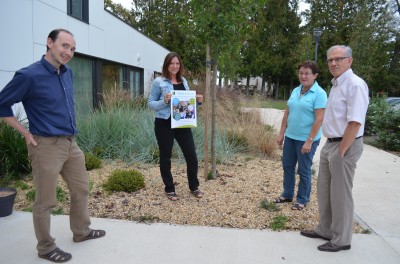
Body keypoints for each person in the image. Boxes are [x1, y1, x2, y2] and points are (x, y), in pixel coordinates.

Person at [0, 29, 105, 263]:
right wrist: (25, 133)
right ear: (49, 43)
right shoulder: (28, 76)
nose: (68, 52)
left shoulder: (68, 72)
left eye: (72, 49)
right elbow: (2, 104)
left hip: (71, 144)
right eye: (64, 46)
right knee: (45, 200)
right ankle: (46, 247)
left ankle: (81, 231)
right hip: (45, 145)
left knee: (81, 189)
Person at [300, 45, 369, 252]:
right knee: (325, 191)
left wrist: (342, 150)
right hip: (330, 144)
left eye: (338, 59)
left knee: (341, 195)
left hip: (344, 145)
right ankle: (326, 229)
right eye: (330, 60)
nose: (333, 63)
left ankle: (342, 239)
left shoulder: (355, 85)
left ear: (349, 60)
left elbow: (355, 122)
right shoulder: (337, 85)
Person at [148, 52, 203, 201]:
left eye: (177, 63)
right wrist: (164, 101)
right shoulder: (158, 82)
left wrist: (197, 102)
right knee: (166, 157)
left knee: (192, 156)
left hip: (182, 122)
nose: (174, 66)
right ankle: (169, 188)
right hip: (164, 123)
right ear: (167, 65)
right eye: (172, 63)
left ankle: (194, 186)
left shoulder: (183, 81)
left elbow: (186, 105)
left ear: (180, 65)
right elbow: (150, 104)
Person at [274, 60, 327, 210]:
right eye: (301, 73)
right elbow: (287, 112)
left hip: (306, 139)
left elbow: (319, 120)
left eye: (307, 73)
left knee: (303, 169)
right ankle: (288, 194)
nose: (303, 76)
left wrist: (309, 141)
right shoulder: (296, 90)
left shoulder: (320, 94)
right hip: (291, 137)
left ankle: (303, 198)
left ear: (315, 75)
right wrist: (281, 133)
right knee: (287, 166)